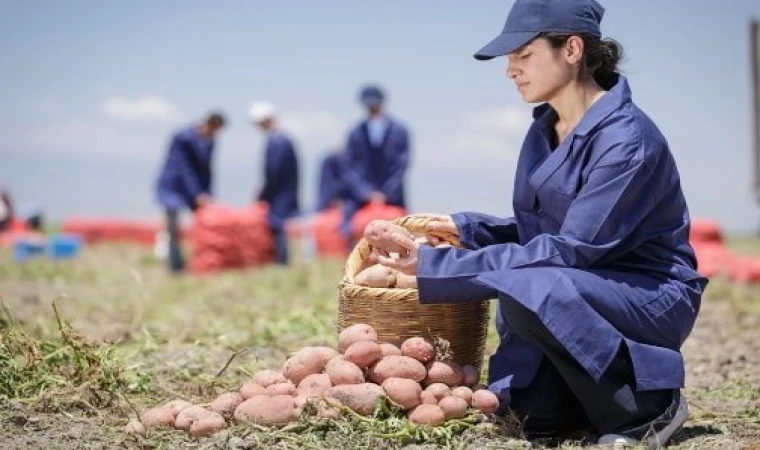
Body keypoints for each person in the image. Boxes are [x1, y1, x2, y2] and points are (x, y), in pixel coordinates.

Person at [370, 0, 707, 447]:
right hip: (579, 286)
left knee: (529, 283)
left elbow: (573, 249)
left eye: (523, 55)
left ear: (571, 50)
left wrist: (435, 266)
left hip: (646, 294)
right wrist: (467, 229)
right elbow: (539, 233)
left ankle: (648, 406)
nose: (511, 69)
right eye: (509, 59)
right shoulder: (545, 127)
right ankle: (581, 396)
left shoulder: (627, 140)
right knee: (537, 417)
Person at [156, 112, 225, 273]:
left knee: (204, 223)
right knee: (173, 228)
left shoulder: (210, 141)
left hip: (197, 189)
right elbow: (185, 169)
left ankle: (202, 261)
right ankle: (175, 265)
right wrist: (197, 194)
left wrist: (207, 192)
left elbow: (207, 169)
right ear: (208, 123)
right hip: (174, 186)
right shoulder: (184, 138)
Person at [342, 84, 411, 237]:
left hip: (392, 195)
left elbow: (401, 165)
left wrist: (385, 193)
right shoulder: (355, 132)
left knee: (402, 230)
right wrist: (366, 192)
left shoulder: (400, 131)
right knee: (348, 228)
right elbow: (350, 167)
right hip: (361, 195)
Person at [249, 102, 300, 265]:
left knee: (277, 225)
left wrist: (264, 191)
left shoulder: (277, 140)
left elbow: (274, 170)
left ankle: (281, 261)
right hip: (285, 189)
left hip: (279, 191)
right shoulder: (283, 139)